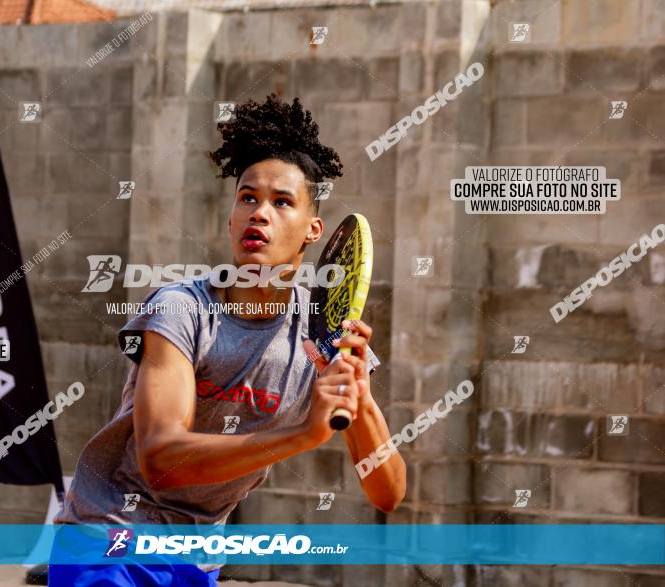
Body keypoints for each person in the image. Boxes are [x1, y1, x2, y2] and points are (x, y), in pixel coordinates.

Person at [50, 93, 406, 586]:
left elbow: (388, 492)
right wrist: (303, 435)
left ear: (312, 229)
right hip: (109, 540)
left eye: (282, 202)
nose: (259, 213)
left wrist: (359, 399)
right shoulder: (180, 310)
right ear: (231, 220)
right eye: (247, 198)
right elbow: (162, 462)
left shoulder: (321, 333)